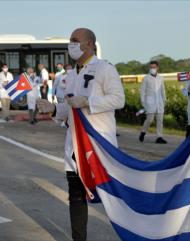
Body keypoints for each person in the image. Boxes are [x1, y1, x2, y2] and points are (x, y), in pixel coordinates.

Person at [37, 27, 125, 241]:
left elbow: (118, 100)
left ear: (89, 44)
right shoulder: (71, 74)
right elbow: (69, 107)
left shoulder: (104, 69)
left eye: (75, 40)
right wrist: (54, 109)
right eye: (70, 41)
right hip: (75, 144)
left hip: (98, 145)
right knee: (76, 197)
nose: (71, 45)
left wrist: (88, 102)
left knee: (114, 198)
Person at [139, 61, 167, 144]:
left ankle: (159, 137)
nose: (152, 69)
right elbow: (143, 91)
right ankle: (143, 132)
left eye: (154, 67)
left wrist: (164, 100)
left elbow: (162, 90)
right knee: (150, 120)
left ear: (157, 68)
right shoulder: (146, 78)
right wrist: (143, 102)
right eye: (151, 67)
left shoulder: (161, 78)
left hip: (160, 102)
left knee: (160, 120)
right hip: (150, 102)